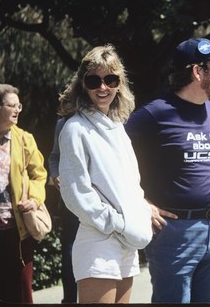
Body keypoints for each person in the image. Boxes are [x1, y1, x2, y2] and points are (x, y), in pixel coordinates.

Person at [124, 37, 210, 303]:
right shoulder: (156, 113)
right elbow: (112, 153)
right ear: (198, 72)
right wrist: (141, 202)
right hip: (175, 234)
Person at [57, 44, 153, 303]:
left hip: (127, 242)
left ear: (120, 83)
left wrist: (141, 213)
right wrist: (117, 223)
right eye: (94, 80)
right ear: (82, 84)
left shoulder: (118, 127)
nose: (103, 87)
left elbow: (132, 184)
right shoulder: (74, 129)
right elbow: (75, 192)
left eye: (110, 79)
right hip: (98, 240)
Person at [0, 83, 48, 303]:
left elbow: (39, 174)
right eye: (11, 105)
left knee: (20, 292)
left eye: (19, 106)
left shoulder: (25, 139)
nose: (17, 110)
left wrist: (34, 200)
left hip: (16, 230)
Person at [48, 117, 79, 303]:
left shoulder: (112, 119)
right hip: (72, 204)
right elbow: (54, 156)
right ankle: (69, 300)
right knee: (70, 256)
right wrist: (55, 175)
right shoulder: (64, 122)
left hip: (104, 204)